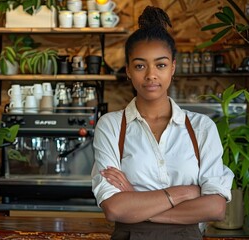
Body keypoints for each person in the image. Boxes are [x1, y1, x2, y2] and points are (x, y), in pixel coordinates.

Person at [91, 6, 234, 240]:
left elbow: (215, 208)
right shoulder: (111, 126)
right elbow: (114, 209)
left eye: (161, 64)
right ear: (127, 70)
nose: (150, 75)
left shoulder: (201, 127)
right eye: (139, 66)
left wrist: (135, 198)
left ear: (173, 68)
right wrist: (183, 193)